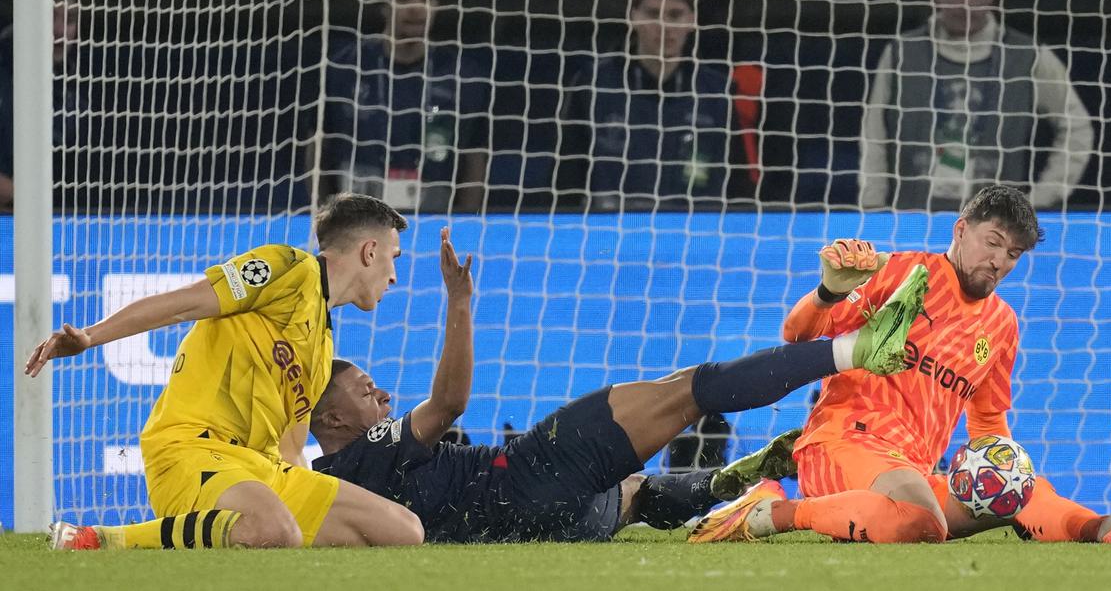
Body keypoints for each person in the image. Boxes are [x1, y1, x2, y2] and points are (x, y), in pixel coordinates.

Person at [309, 229, 932, 543]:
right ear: (331, 421)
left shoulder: (333, 493)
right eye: (366, 392)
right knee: (692, 388)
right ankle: (854, 349)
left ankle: (721, 482)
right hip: (524, 470)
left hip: (541, 525)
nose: (384, 396)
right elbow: (447, 405)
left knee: (632, 495)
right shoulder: (369, 451)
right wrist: (460, 304)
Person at [689, 185, 1111, 544]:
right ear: (961, 230)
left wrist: (1000, 466)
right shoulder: (902, 273)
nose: (1000, 262)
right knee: (920, 521)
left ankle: (1106, 528)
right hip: (842, 444)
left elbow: (987, 426)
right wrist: (828, 292)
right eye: (993, 243)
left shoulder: (1001, 325)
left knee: (1015, 493)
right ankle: (770, 511)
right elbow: (797, 338)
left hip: (908, 469)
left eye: (1013, 254)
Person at [27, 193, 425, 549]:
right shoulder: (288, 268)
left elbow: (290, 448)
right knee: (275, 529)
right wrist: (90, 337)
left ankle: (264, 532)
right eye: (394, 258)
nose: (393, 275)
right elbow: (183, 303)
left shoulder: (321, 350)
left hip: (260, 468)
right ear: (370, 251)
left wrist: (307, 494)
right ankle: (99, 540)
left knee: (404, 530)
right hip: (191, 449)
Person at [859, 0, 1096, 212]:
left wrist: (1039, 199)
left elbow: (1077, 128)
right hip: (913, 220)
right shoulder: (902, 54)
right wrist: (873, 206)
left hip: (996, 232)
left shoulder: (1027, 57)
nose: (965, 4)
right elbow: (874, 133)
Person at [556, 0, 755, 211]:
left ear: (692, 20)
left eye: (674, 15)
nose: (663, 26)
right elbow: (565, 179)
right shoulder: (594, 84)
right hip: (611, 237)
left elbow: (739, 185)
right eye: (652, 13)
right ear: (633, 16)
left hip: (697, 237)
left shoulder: (718, 92)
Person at [320, 0, 489, 213]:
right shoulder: (344, 66)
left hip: (434, 216)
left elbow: (474, 158)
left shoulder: (463, 75)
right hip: (355, 216)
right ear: (384, 4)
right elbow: (318, 148)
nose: (415, 7)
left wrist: (467, 222)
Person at [0, 0, 85, 212]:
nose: (59, 30)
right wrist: (22, 197)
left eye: (69, 20)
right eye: (51, 17)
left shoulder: (76, 88)